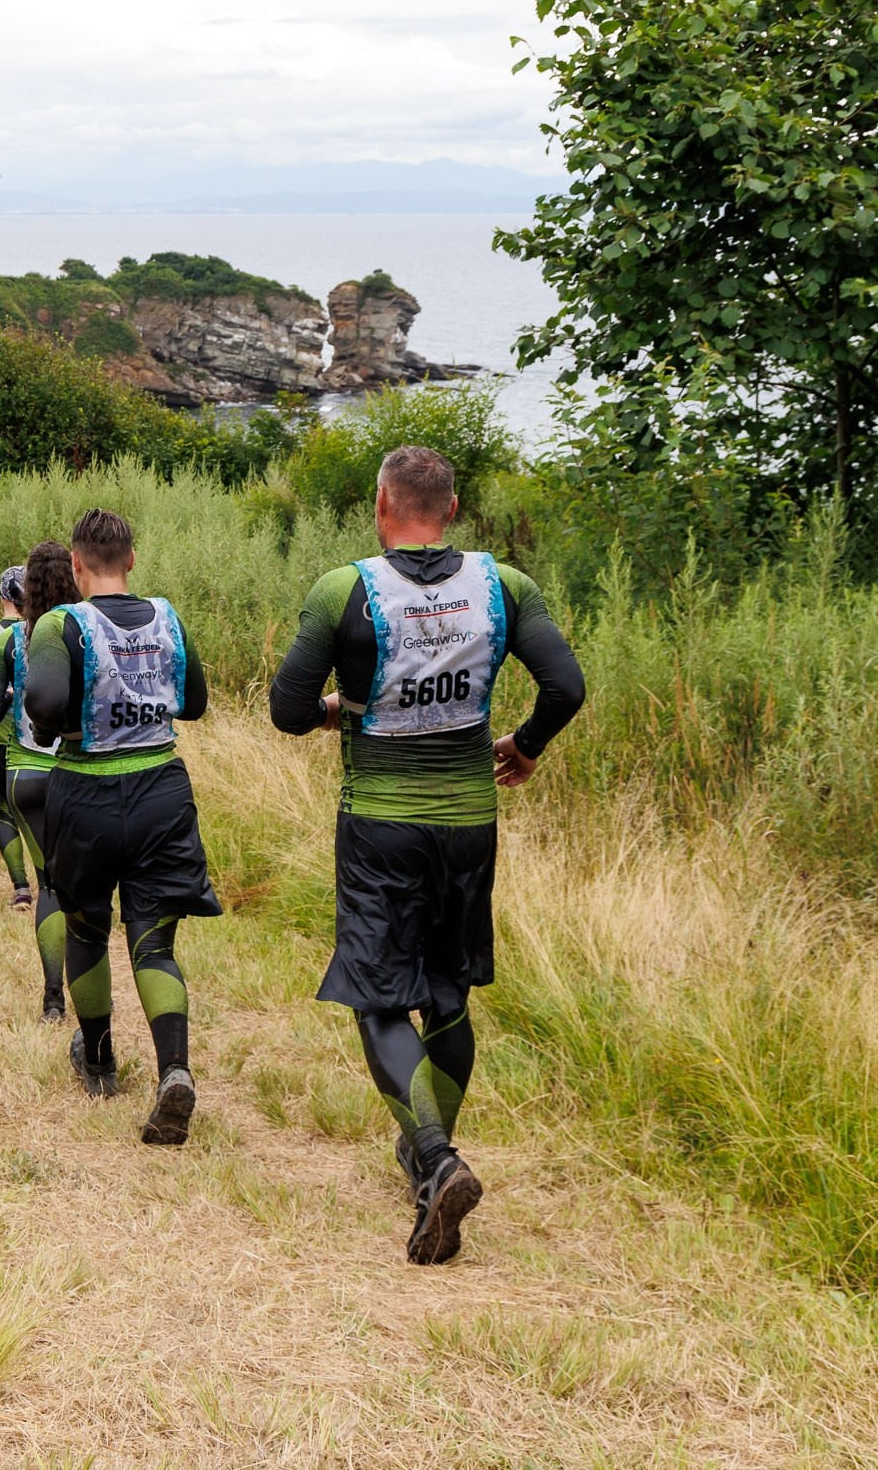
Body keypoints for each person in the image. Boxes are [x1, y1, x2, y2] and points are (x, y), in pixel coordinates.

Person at [267, 444, 586, 1267]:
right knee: (447, 996)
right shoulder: (505, 585)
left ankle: (436, 1156)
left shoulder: (345, 590)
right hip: (470, 824)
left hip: (380, 824)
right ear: (450, 508)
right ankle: (425, 1165)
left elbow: (287, 708)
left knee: (378, 998)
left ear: (381, 507)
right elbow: (567, 686)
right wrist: (529, 743)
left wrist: (345, 704)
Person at [22, 508, 217, 1146]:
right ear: (131, 560)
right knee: (154, 940)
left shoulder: (60, 623)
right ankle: (174, 1071)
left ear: (76, 566)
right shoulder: (168, 617)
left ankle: (101, 1061)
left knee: (86, 926)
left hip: (86, 793)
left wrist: (55, 726)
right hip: (162, 788)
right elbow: (193, 702)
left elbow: (46, 706)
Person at [0, 542, 78, 1023]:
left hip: (24, 775)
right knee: (84, 889)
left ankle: (53, 998)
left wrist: (14, 691)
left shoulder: (10, 640)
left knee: (50, 886)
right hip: (78, 776)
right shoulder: (84, 632)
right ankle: (94, 993)